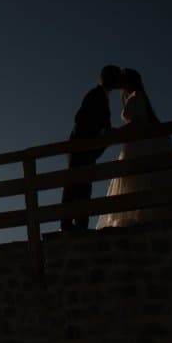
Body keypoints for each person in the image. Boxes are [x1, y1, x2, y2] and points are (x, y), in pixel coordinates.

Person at [95, 68, 172, 228]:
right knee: (140, 181)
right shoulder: (137, 97)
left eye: (124, 80)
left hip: (139, 146)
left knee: (142, 179)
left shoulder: (137, 97)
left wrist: (116, 134)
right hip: (136, 145)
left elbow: (138, 124)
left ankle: (145, 216)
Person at [59, 65, 122, 232]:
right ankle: (70, 225)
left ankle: (76, 225)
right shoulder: (96, 95)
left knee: (81, 184)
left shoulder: (99, 95)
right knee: (77, 184)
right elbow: (80, 118)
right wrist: (97, 135)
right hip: (81, 147)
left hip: (84, 148)